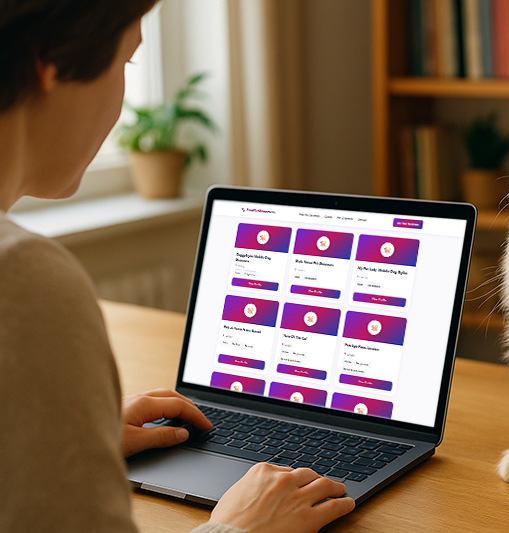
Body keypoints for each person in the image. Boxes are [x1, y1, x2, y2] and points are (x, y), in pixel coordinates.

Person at [0, 1, 355, 531]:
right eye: (126, 63)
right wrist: (237, 528)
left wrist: (61, 439)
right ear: (49, 65)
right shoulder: (22, 279)